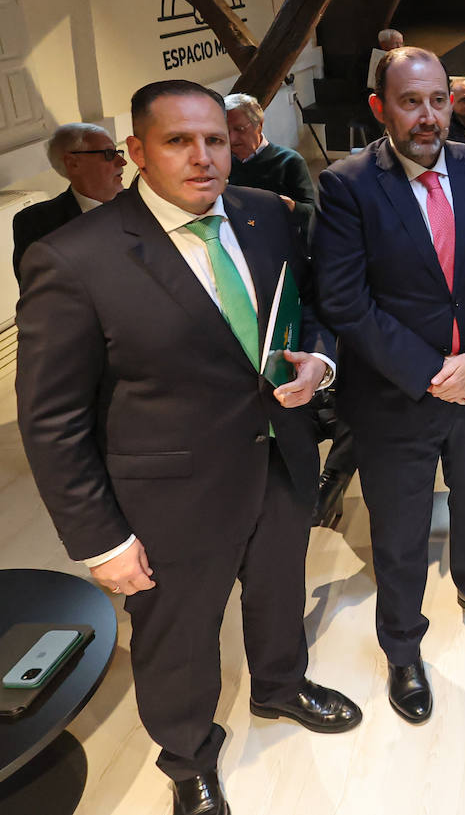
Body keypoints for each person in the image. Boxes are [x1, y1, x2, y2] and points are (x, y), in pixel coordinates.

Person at [17, 79, 361, 815]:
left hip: (279, 458)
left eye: (213, 139)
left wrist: (319, 362)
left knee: (278, 590)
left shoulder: (267, 214)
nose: (203, 156)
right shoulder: (73, 259)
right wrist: (101, 539)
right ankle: (187, 754)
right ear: (137, 151)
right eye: (178, 141)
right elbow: (51, 420)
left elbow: (313, 311)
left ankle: (279, 684)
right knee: (176, 632)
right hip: (170, 491)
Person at [313, 47, 465, 723]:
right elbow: (345, 300)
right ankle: (404, 646)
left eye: (438, 99)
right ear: (381, 108)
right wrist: (430, 373)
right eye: (411, 101)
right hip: (393, 397)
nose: (428, 115)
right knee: (401, 530)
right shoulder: (346, 184)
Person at [13, 122, 126, 278]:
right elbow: (38, 295)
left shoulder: (139, 203)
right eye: (109, 154)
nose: (122, 162)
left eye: (118, 152)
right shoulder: (36, 223)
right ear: (73, 163)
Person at [225, 93, 317, 238]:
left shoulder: (289, 161)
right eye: (226, 131)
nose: (231, 138)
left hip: (281, 239)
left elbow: (311, 214)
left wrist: (289, 206)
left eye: (239, 129)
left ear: (259, 125)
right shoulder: (223, 163)